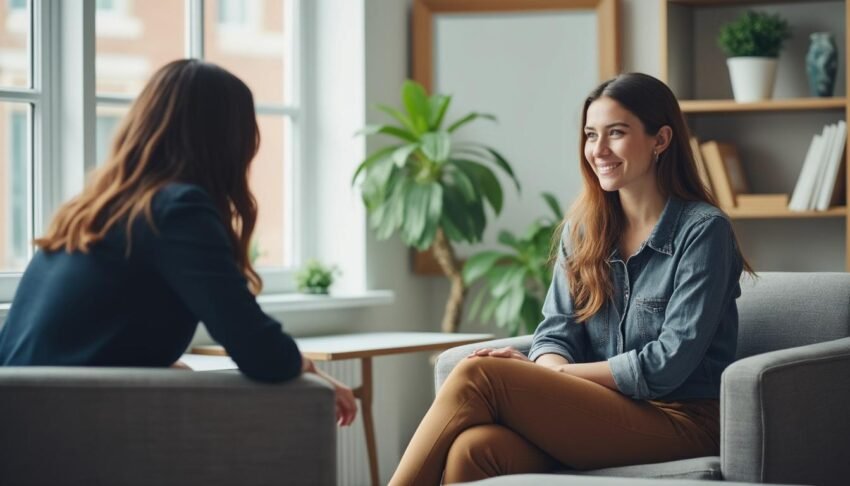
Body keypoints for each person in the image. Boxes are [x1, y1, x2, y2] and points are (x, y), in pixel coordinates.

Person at [389, 72, 753, 485]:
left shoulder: (704, 231)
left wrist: (553, 377)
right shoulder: (583, 229)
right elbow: (556, 332)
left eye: (616, 133)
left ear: (661, 140)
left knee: (479, 374)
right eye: (591, 135)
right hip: (604, 408)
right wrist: (550, 367)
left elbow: (667, 365)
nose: (598, 150)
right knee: (474, 449)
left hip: (683, 418)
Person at [0, 59, 357, 427]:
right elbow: (256, 349)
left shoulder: (95, 209)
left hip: (20, 422)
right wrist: (304, 367)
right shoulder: (176, 209)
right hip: (57, 427)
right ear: (229, 141)